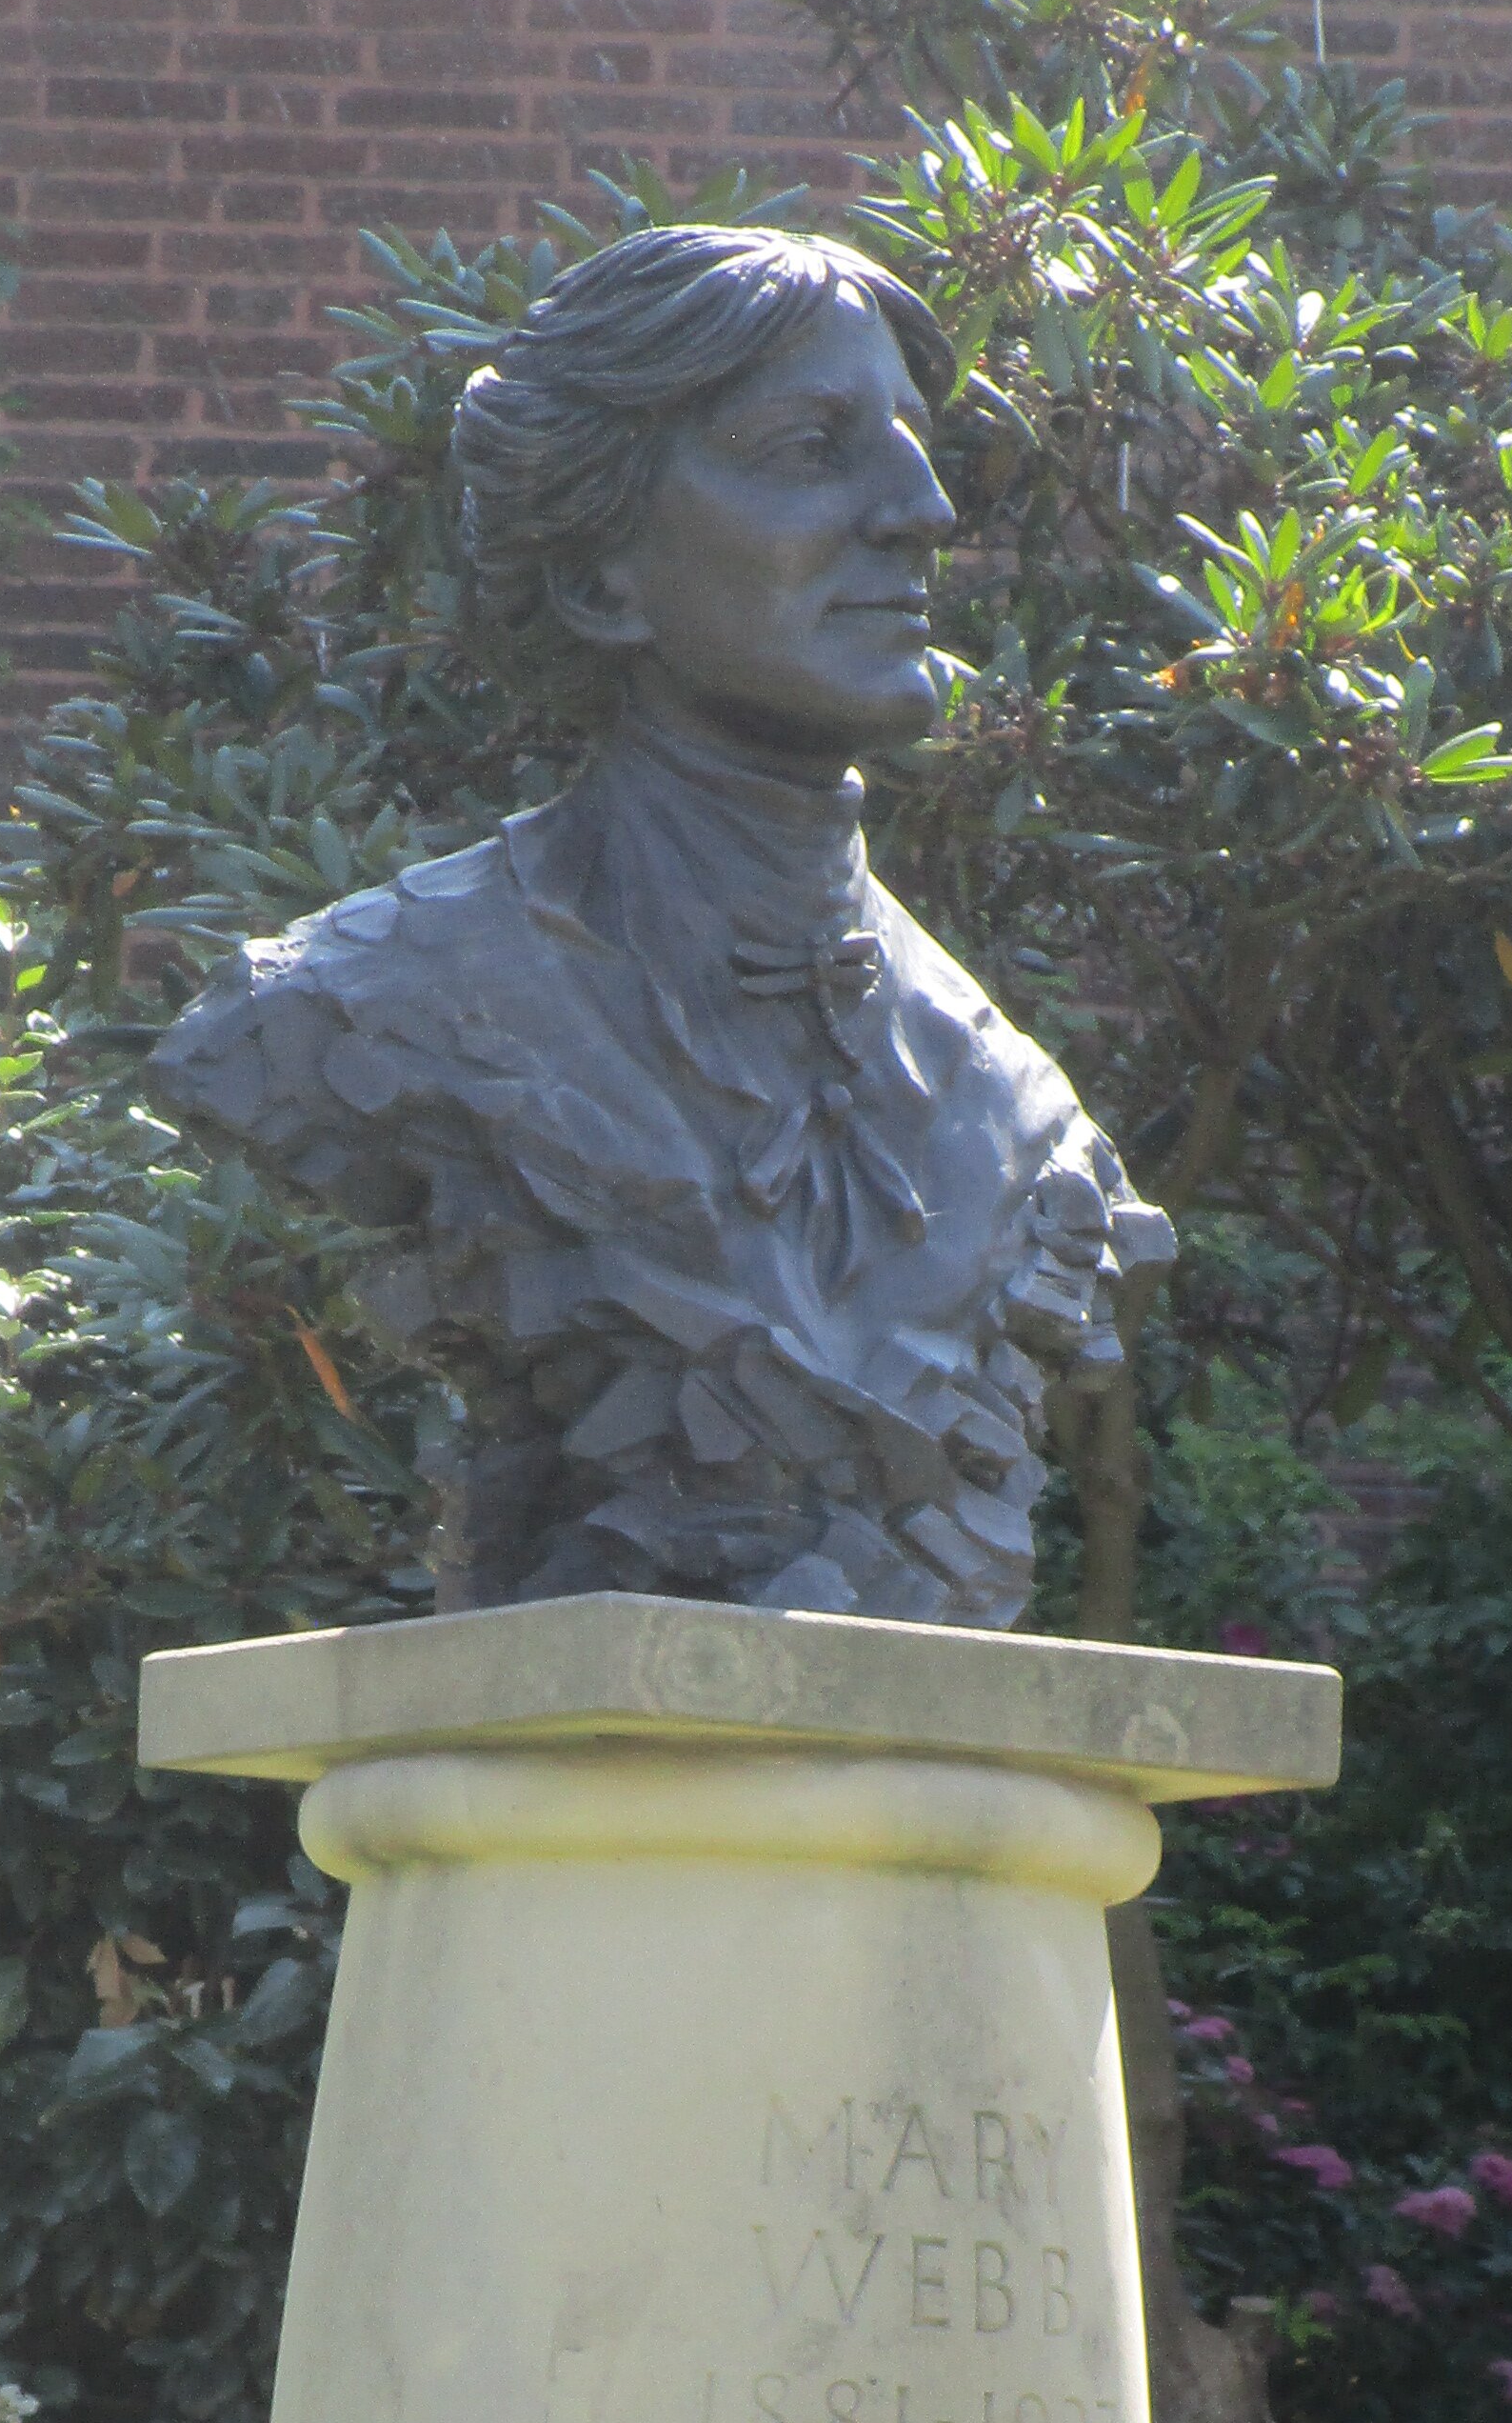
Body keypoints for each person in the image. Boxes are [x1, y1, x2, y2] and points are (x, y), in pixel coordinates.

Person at [151, 223, 1171, 1621]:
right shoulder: (363, 1008)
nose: (924, 511)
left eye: (918, 444)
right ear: (595, 576)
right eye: (810, 449)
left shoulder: (1025, 1116)